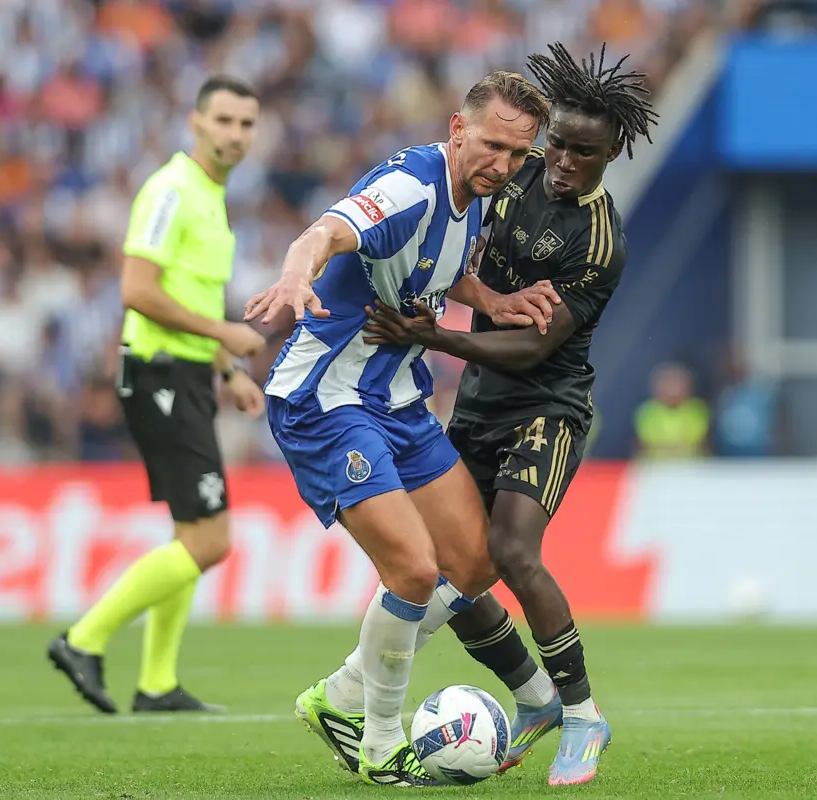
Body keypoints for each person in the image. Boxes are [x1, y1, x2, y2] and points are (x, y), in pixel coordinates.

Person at [356, 42, 659, 786]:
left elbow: (528, 350)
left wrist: (430, 333)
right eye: (555, 142)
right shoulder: (514, 171)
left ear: (609, 156)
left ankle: (584, 716)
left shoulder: (600, 242)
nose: (560, 162)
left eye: (580, 153)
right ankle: (534, 696)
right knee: (452, 567)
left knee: (515, 551)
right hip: (479, 404)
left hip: (546, 408)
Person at [244, 70, 558, 786]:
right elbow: (324, 232)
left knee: (474, 563)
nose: (502, 166)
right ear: (456, 128)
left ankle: (344, 693)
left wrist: (496, 299)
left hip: (398, 403)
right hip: (326, 400)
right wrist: (298, 276)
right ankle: (381, 740)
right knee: (414, 570)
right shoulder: (412, 185)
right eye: (491, 146)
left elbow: (435, 272)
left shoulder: (475, 195)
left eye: (516, 154)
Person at [46, 75, 267, 714]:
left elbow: (189, 298)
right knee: (211, 541)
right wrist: (224, 332)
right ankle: (82, 638)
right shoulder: (172, 189)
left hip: (188, 373)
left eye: (246, 123)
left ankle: (157, 683)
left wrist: (226, 368)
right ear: (195, 122)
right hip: (158, 374)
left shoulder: (210, 196)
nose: (235, 134)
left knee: (189, 533)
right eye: (224, 120)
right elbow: (137, 291)